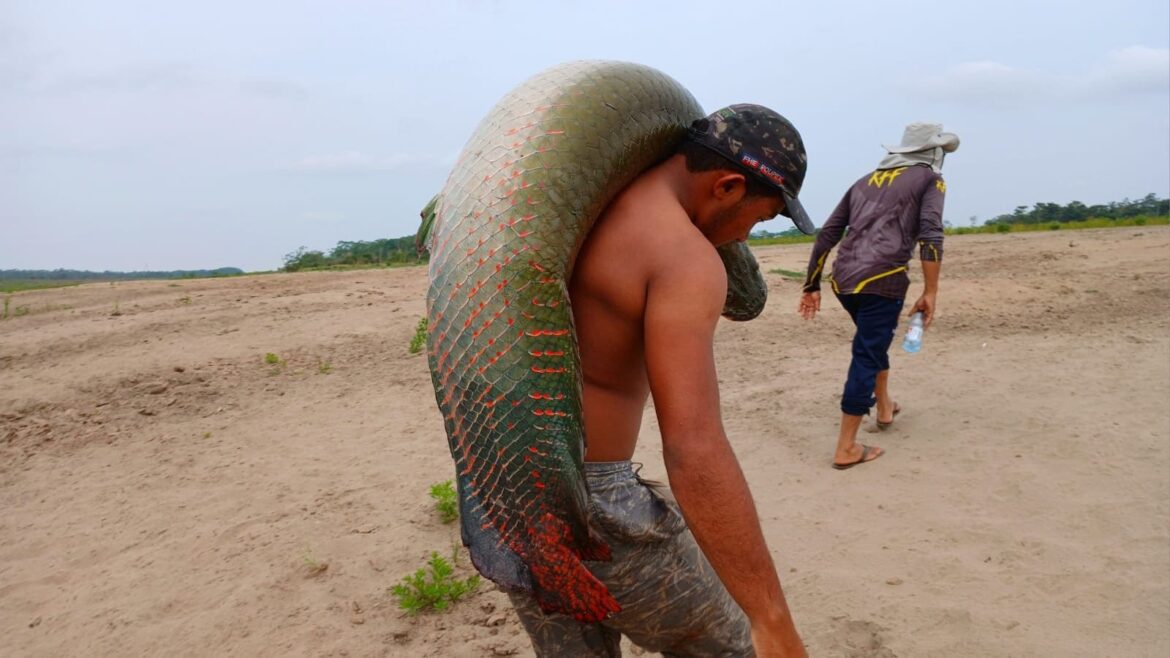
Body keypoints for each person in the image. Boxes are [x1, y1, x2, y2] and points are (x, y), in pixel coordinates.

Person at [505, 105, 813, 657]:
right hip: (590, 498)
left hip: (502, 487)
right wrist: (771, 617)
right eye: (758, 220)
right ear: (728, 186)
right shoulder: (682, 257)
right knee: (740, 649)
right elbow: (694, 446)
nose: (744, 236)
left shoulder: (575, 213)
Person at [797, 122, 959, 470]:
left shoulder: (863, 181)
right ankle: (846, 447)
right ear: (931, 152)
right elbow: (931, 233)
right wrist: (931, 291)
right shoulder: (931, 179)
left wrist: (812, 284)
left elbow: (827, 234)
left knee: (873, 341)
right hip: (883, 280)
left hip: (844, 281)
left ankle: (885, 407)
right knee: (867, 354)